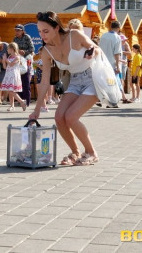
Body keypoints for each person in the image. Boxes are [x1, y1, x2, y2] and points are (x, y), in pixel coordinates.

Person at [29, 11, 99, 166]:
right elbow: (45, 82)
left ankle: (91, 152)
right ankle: (75, 152)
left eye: (45, 31)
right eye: (39, 31)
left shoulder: (74, 35)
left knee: (71, 117)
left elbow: (96, 48)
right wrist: (37, 109)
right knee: (59, 117)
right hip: (75, 81)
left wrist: (92, 50)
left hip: (92, 79)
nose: (42, 35)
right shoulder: (46, 51)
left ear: (56, 28)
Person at [98, 20, 130, 106]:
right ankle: (113, 101)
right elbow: (117, 53)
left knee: (104, 81)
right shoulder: (117, 37)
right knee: (114, 82)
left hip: (102, 62)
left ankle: (101, 99)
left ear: (110, 27)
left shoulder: (103, 35)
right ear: (119, 28)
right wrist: (118, 66)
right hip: (112, 63)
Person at [0, 42, 27, 112]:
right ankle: (12, 105)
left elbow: (11, 64)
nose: (7, 50)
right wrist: (3, 61)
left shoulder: (17, 57)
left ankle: (22, 101)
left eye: (8, 49)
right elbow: (5, 67)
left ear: (12, 49)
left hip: (13, 75)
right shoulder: (9, 57)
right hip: (8, 74)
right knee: (10, 90)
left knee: (11, 90)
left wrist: (6, 59)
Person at [12, 24, 34, 107]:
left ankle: (27, 100)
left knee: (26, 81)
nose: (16, 32)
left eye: (18, 30)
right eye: (16, 30)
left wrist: (24, 52)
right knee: (19, 80)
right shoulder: (15, 39)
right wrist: (17, 52)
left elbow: (32, 48)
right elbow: (13, 49)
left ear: (22, 31)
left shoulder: (27, 37)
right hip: (19, 61)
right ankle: (20, 100)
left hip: (27, 59)